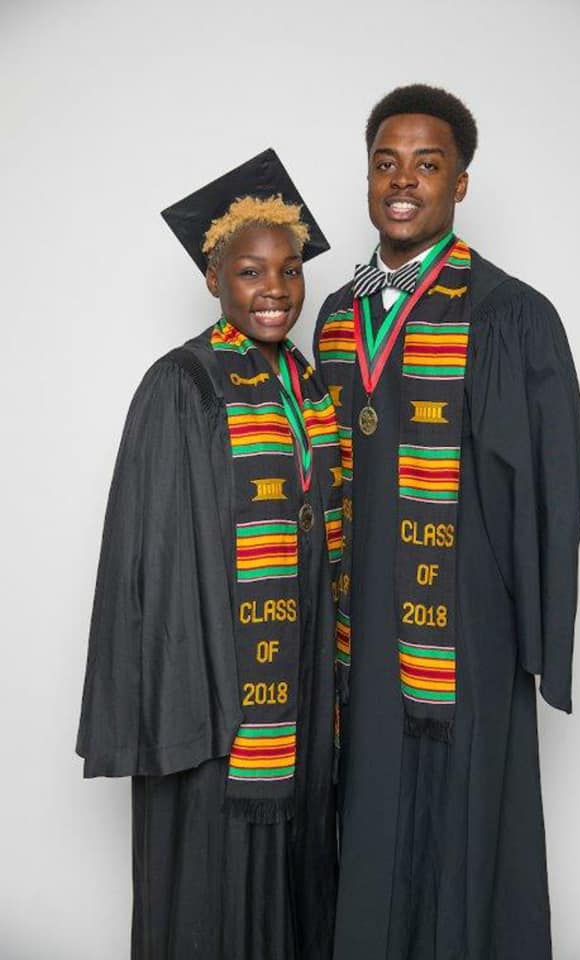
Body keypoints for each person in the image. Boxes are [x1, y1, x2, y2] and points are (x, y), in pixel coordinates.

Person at [313, 86, 580, 960]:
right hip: (357, 629)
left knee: (460, 826)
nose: (403, 181)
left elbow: (553, 480)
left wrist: (526, 636)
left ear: (459, 184)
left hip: (460, 630)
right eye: (385, 164)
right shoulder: (335, 314)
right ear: (367, 178)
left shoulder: (505, 314)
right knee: (366, 818)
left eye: (426, 165)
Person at [77, 150, 340, 960]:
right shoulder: (185, 385)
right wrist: (198, 698)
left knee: (298, 873)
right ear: (212, 279)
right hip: (218, 692)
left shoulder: (309, 387)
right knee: (212, 885)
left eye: (289, 270)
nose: (274, 288)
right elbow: (155, 560)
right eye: (250, 271)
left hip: (302, 682)